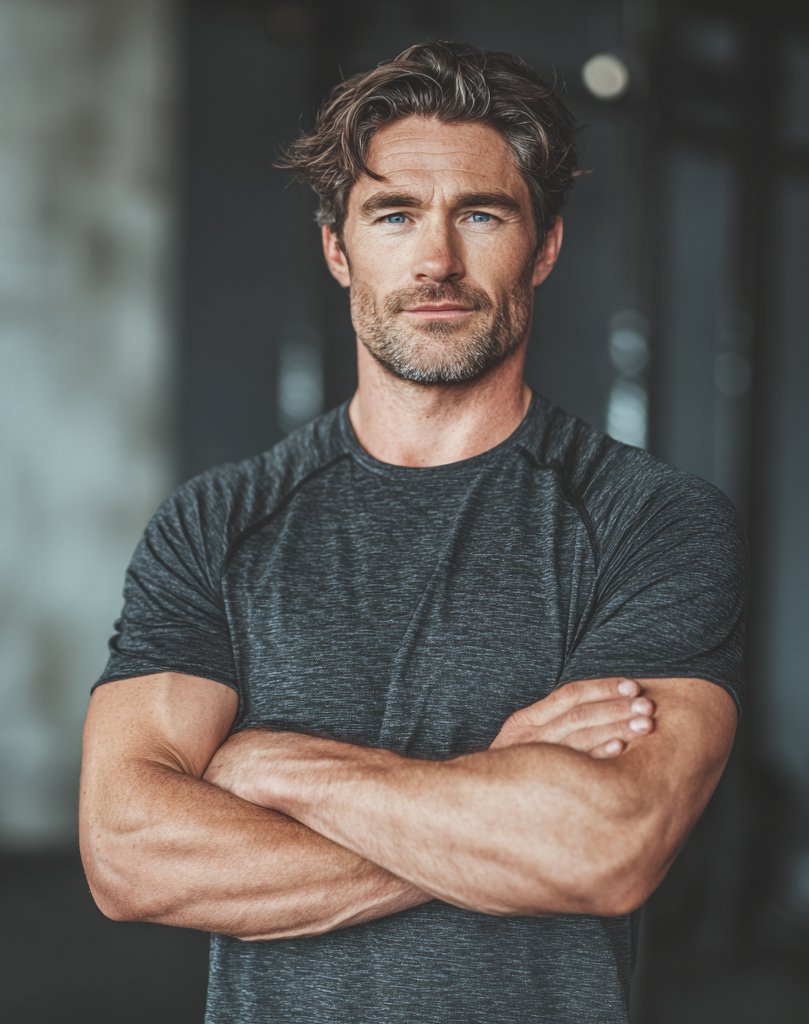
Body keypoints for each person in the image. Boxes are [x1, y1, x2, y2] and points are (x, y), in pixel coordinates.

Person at [79, 42, 745, 1023]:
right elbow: (128, 854)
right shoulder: (216, 522)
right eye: (394, 215)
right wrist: (494, 798)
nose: (436, 260)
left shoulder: (647, 522)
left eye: (480, 214)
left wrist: (270, 766)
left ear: (546, 246)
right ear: (338, 248)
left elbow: (605, 846)